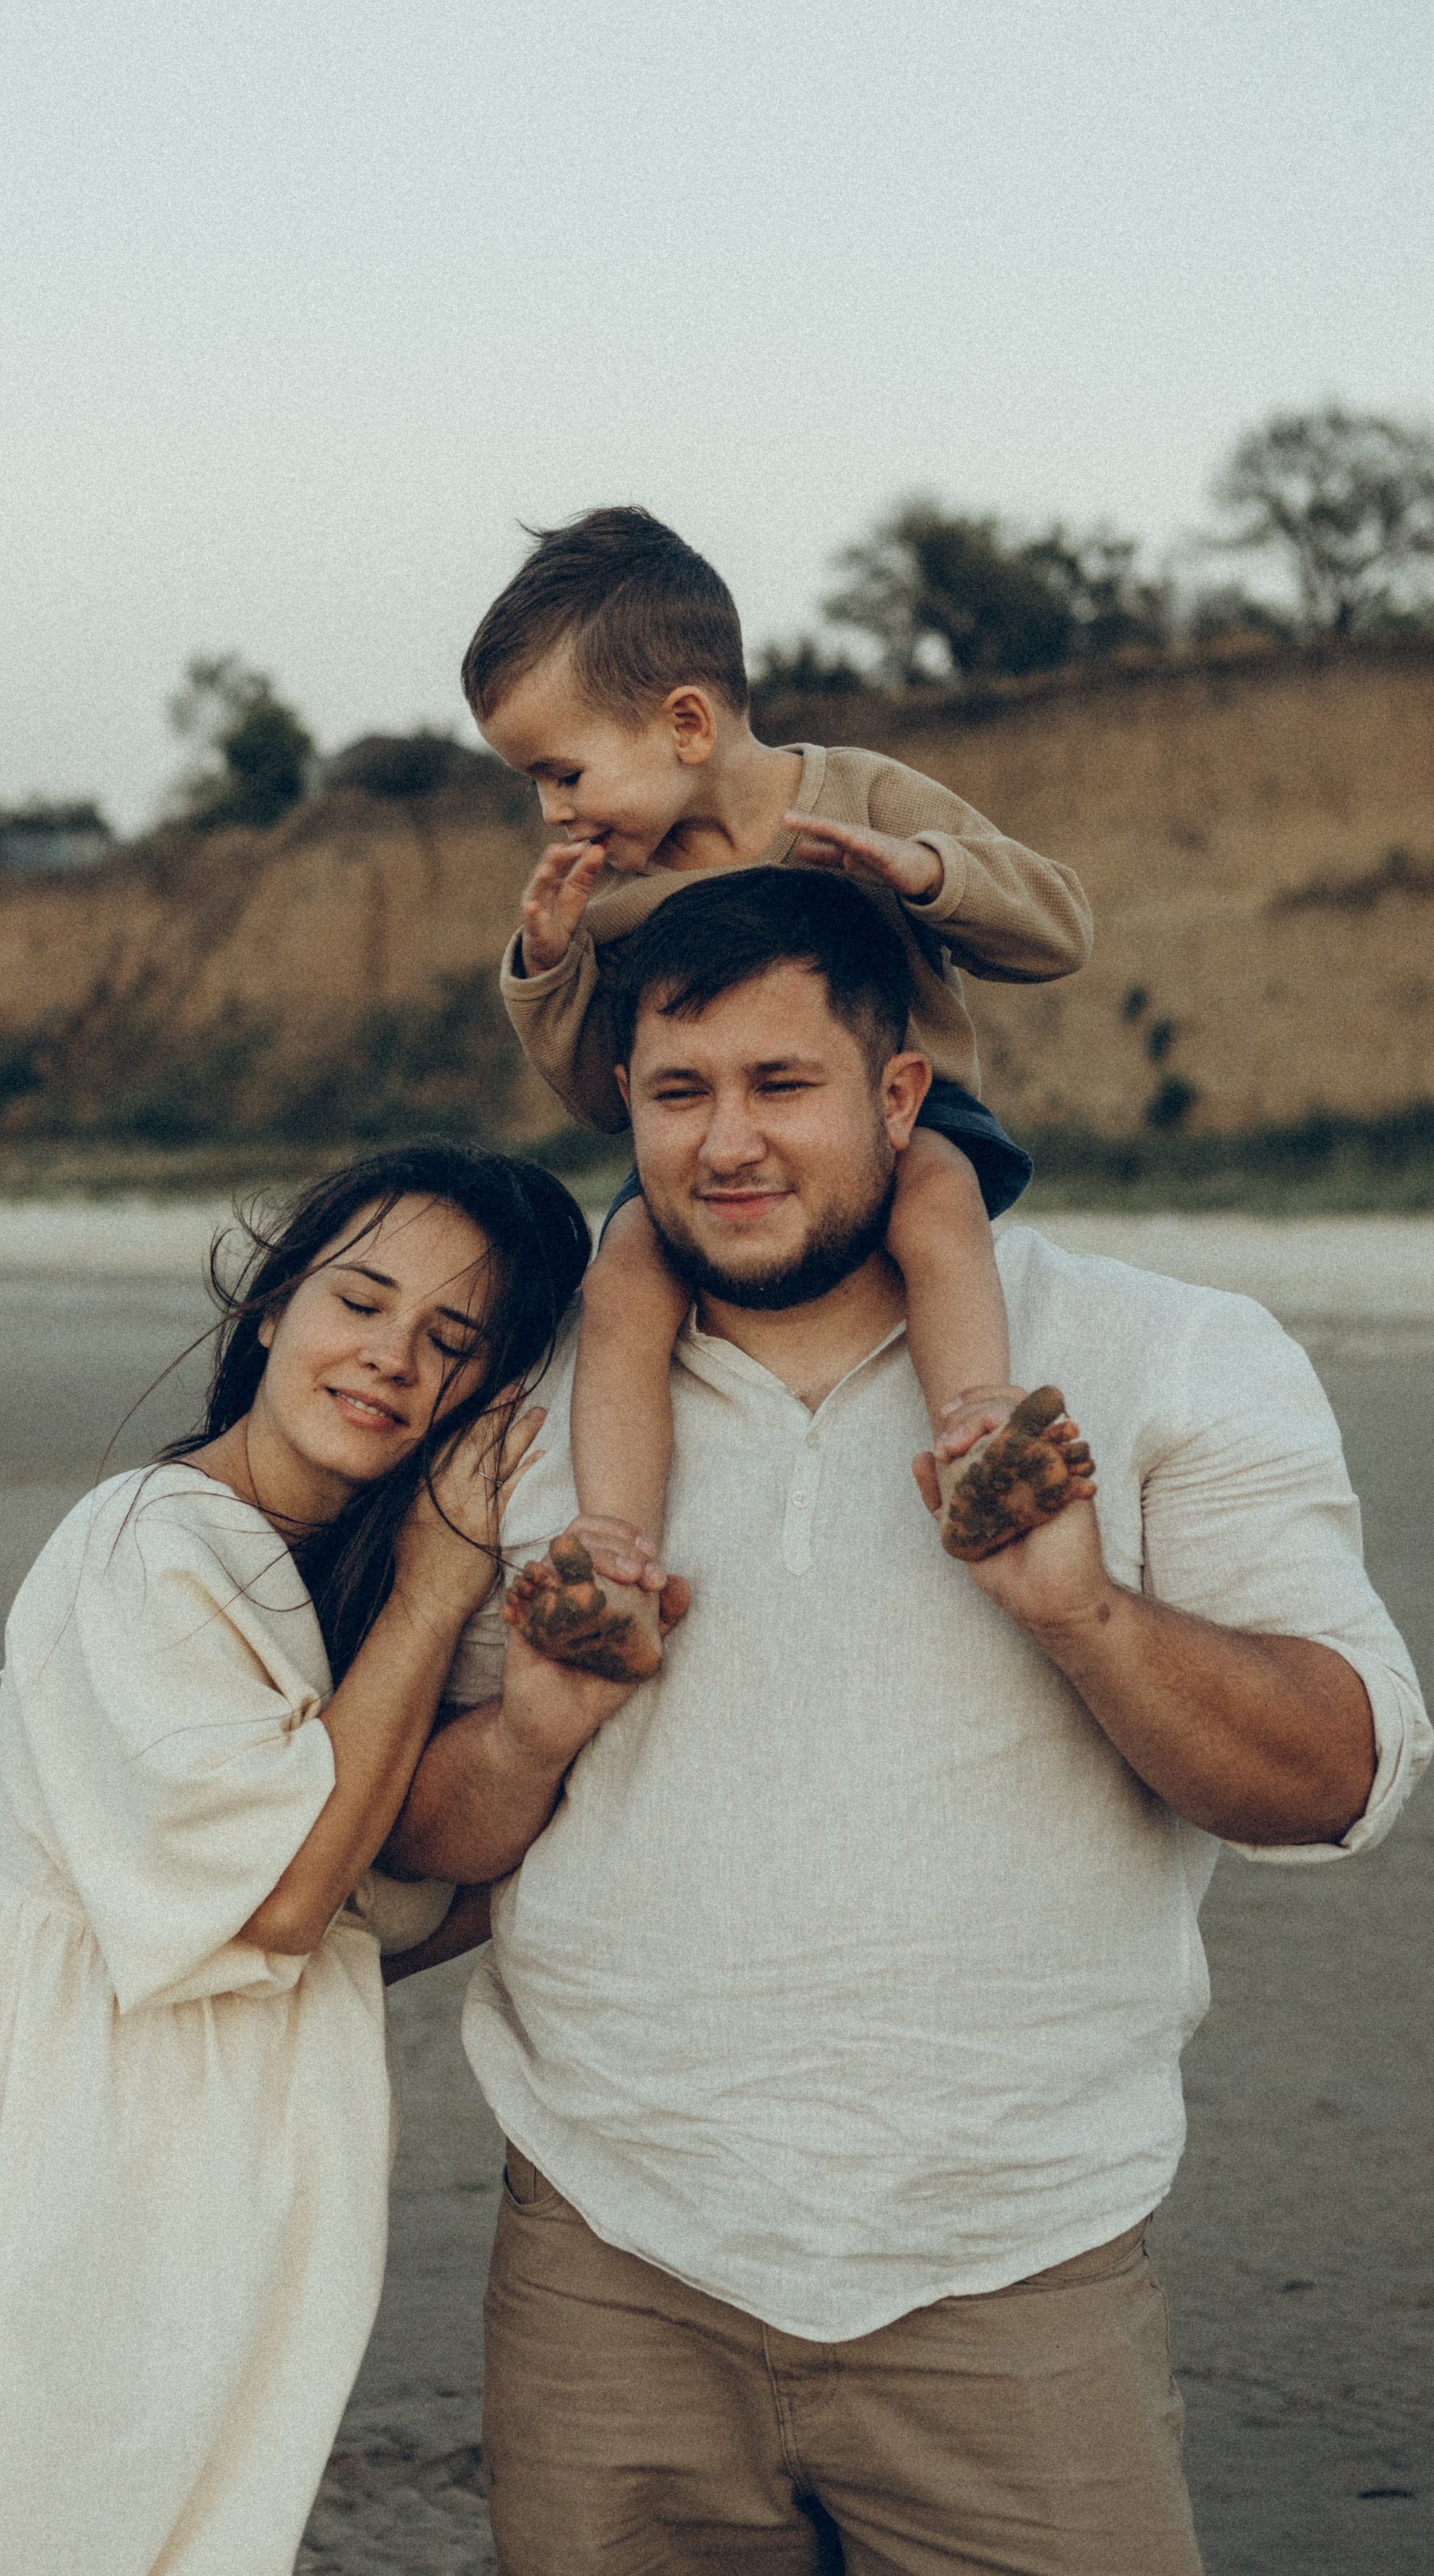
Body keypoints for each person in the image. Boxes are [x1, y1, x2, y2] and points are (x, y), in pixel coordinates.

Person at [385, 871, 1430, 2576]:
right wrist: (530, 1734)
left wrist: (1078, 1612)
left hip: (1013, 2278)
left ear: (895, 1095)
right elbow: (413, 1845)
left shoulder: (1170, 1354)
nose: (724, 1144)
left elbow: (1335, 1778)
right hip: (605, 2268)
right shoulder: (522, 1402)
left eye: (778, 1086)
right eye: (677, 1093)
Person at [0, 1142, 590, 2576]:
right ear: (272, 1308)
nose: (391, 1358)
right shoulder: (150, 1548)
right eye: (361, 1301)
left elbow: (390, 1915)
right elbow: (280, 1906)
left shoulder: (330, 1599)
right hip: (69, 2173)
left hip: (212, 2176)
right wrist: (441, 1583)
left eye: (451, 1342)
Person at [462, 504, 1097, 1672]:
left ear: (688, 722)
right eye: (534, 785)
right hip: (707, 1152)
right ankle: (612, 1558)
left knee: (936, 1200)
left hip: (908, 1124)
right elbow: (606, 1104)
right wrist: (552, 969)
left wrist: (926, 874)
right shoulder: (618, 902)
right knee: (624, 1285)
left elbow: (1057, 929)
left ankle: (978, 1438)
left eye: (563, 770)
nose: (551, 809)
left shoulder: (861, 796)